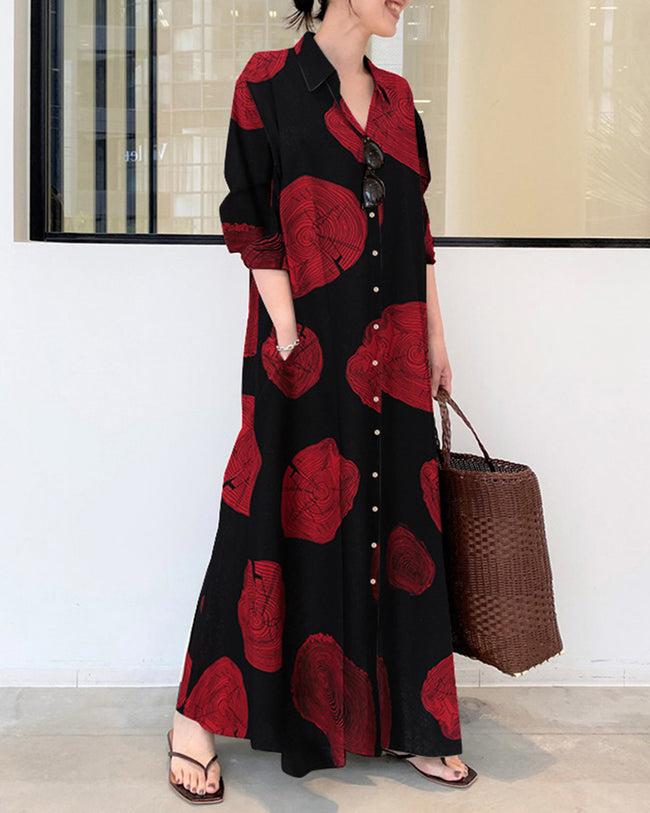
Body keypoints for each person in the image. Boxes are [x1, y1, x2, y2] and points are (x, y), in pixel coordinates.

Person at [166, 0, 478, 803]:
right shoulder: (267, 82)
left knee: (399, 521)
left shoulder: (400, 100)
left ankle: (409, 720)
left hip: (394, 351)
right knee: (262, 515)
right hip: (299, 351)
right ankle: (196, 716)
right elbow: (249, 215)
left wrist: (436, 336)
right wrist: (286, 329)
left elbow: (417, 233)